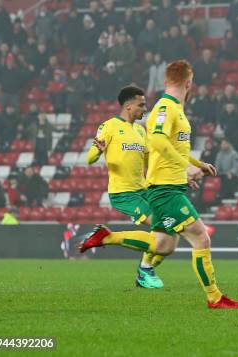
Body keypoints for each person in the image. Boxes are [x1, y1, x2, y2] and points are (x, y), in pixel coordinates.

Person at [80, 60, 238, 309]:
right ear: (189, 83)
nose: (144, 108)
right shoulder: (164, 109)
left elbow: (160, 150)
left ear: (167, 81)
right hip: (157, 190)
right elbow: (158, 141)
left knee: (165, 244)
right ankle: (214, 297)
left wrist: (196, 165)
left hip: (160, 186)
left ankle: (108, 239)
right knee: (201, 238)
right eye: (140, 104)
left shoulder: (166, 114)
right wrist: (183, 166)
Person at [85, 85, 161, 288]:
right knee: (161, 226)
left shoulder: (139, 130)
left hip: (144, 189)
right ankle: (142, 269)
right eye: (141, 105)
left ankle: (145, 270)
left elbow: (149, 160)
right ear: (128, 106)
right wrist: (98, 151)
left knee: (169, 226)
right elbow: (89, 158)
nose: (145, 109)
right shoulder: (109, 126)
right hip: (123, 193)